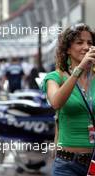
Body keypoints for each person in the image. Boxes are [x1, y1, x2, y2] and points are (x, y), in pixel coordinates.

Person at [42, 23, 95, 176]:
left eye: (90, 43)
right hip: (67, 164)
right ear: (67, 49)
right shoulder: (55, 77)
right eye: (79, 42)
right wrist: (79, 70)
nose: (86, 47)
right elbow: (56, 102)